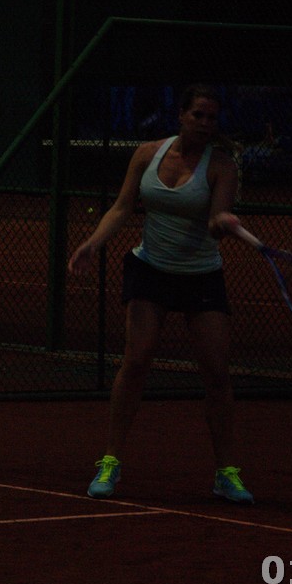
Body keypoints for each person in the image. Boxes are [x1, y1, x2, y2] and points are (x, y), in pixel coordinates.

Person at [68, 84, 254, 504]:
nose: (204, 124)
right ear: (181, 116)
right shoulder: (147, 154)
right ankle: (110, 462)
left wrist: (221, 222)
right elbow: (122, 207)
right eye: (198, 115)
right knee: (136, 361)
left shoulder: (221, 166)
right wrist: (92, 244)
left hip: (201, 276)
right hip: (149, 270)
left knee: (217, 373)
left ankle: (226, 473)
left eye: (211, 118)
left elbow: (214, 223)